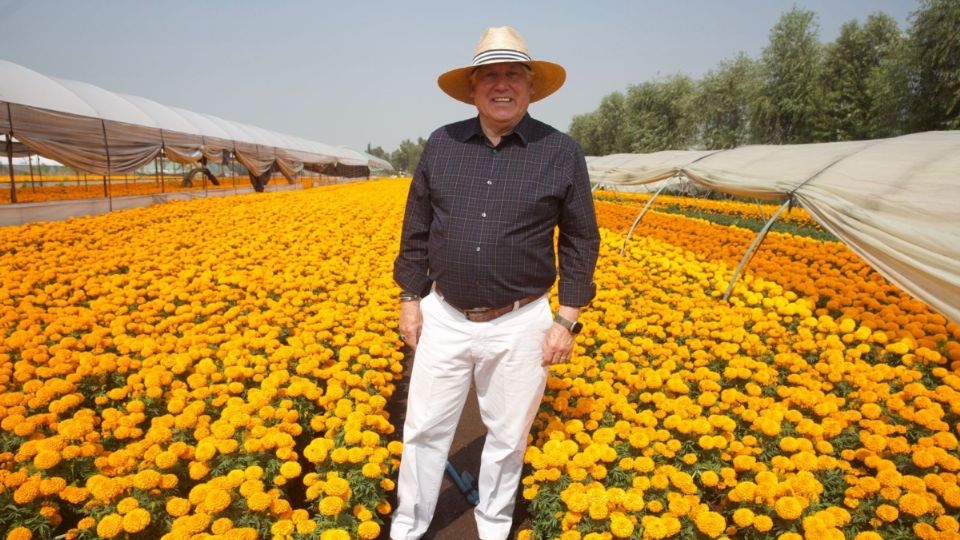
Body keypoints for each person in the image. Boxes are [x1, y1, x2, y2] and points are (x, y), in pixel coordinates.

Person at [391, 26, 600, 540]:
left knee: (508, 437)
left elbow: (580, 239)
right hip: (445, 314)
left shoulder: (560, 151)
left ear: (531, 88)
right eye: (490, 76)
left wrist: (566, 321)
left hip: (522, 321)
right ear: (473, 87)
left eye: (513, 75)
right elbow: (415, 225)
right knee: (422, 430)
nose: (501, 85)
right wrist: (409, 298)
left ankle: (492, 526)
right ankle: (409, 526)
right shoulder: (442, 144)